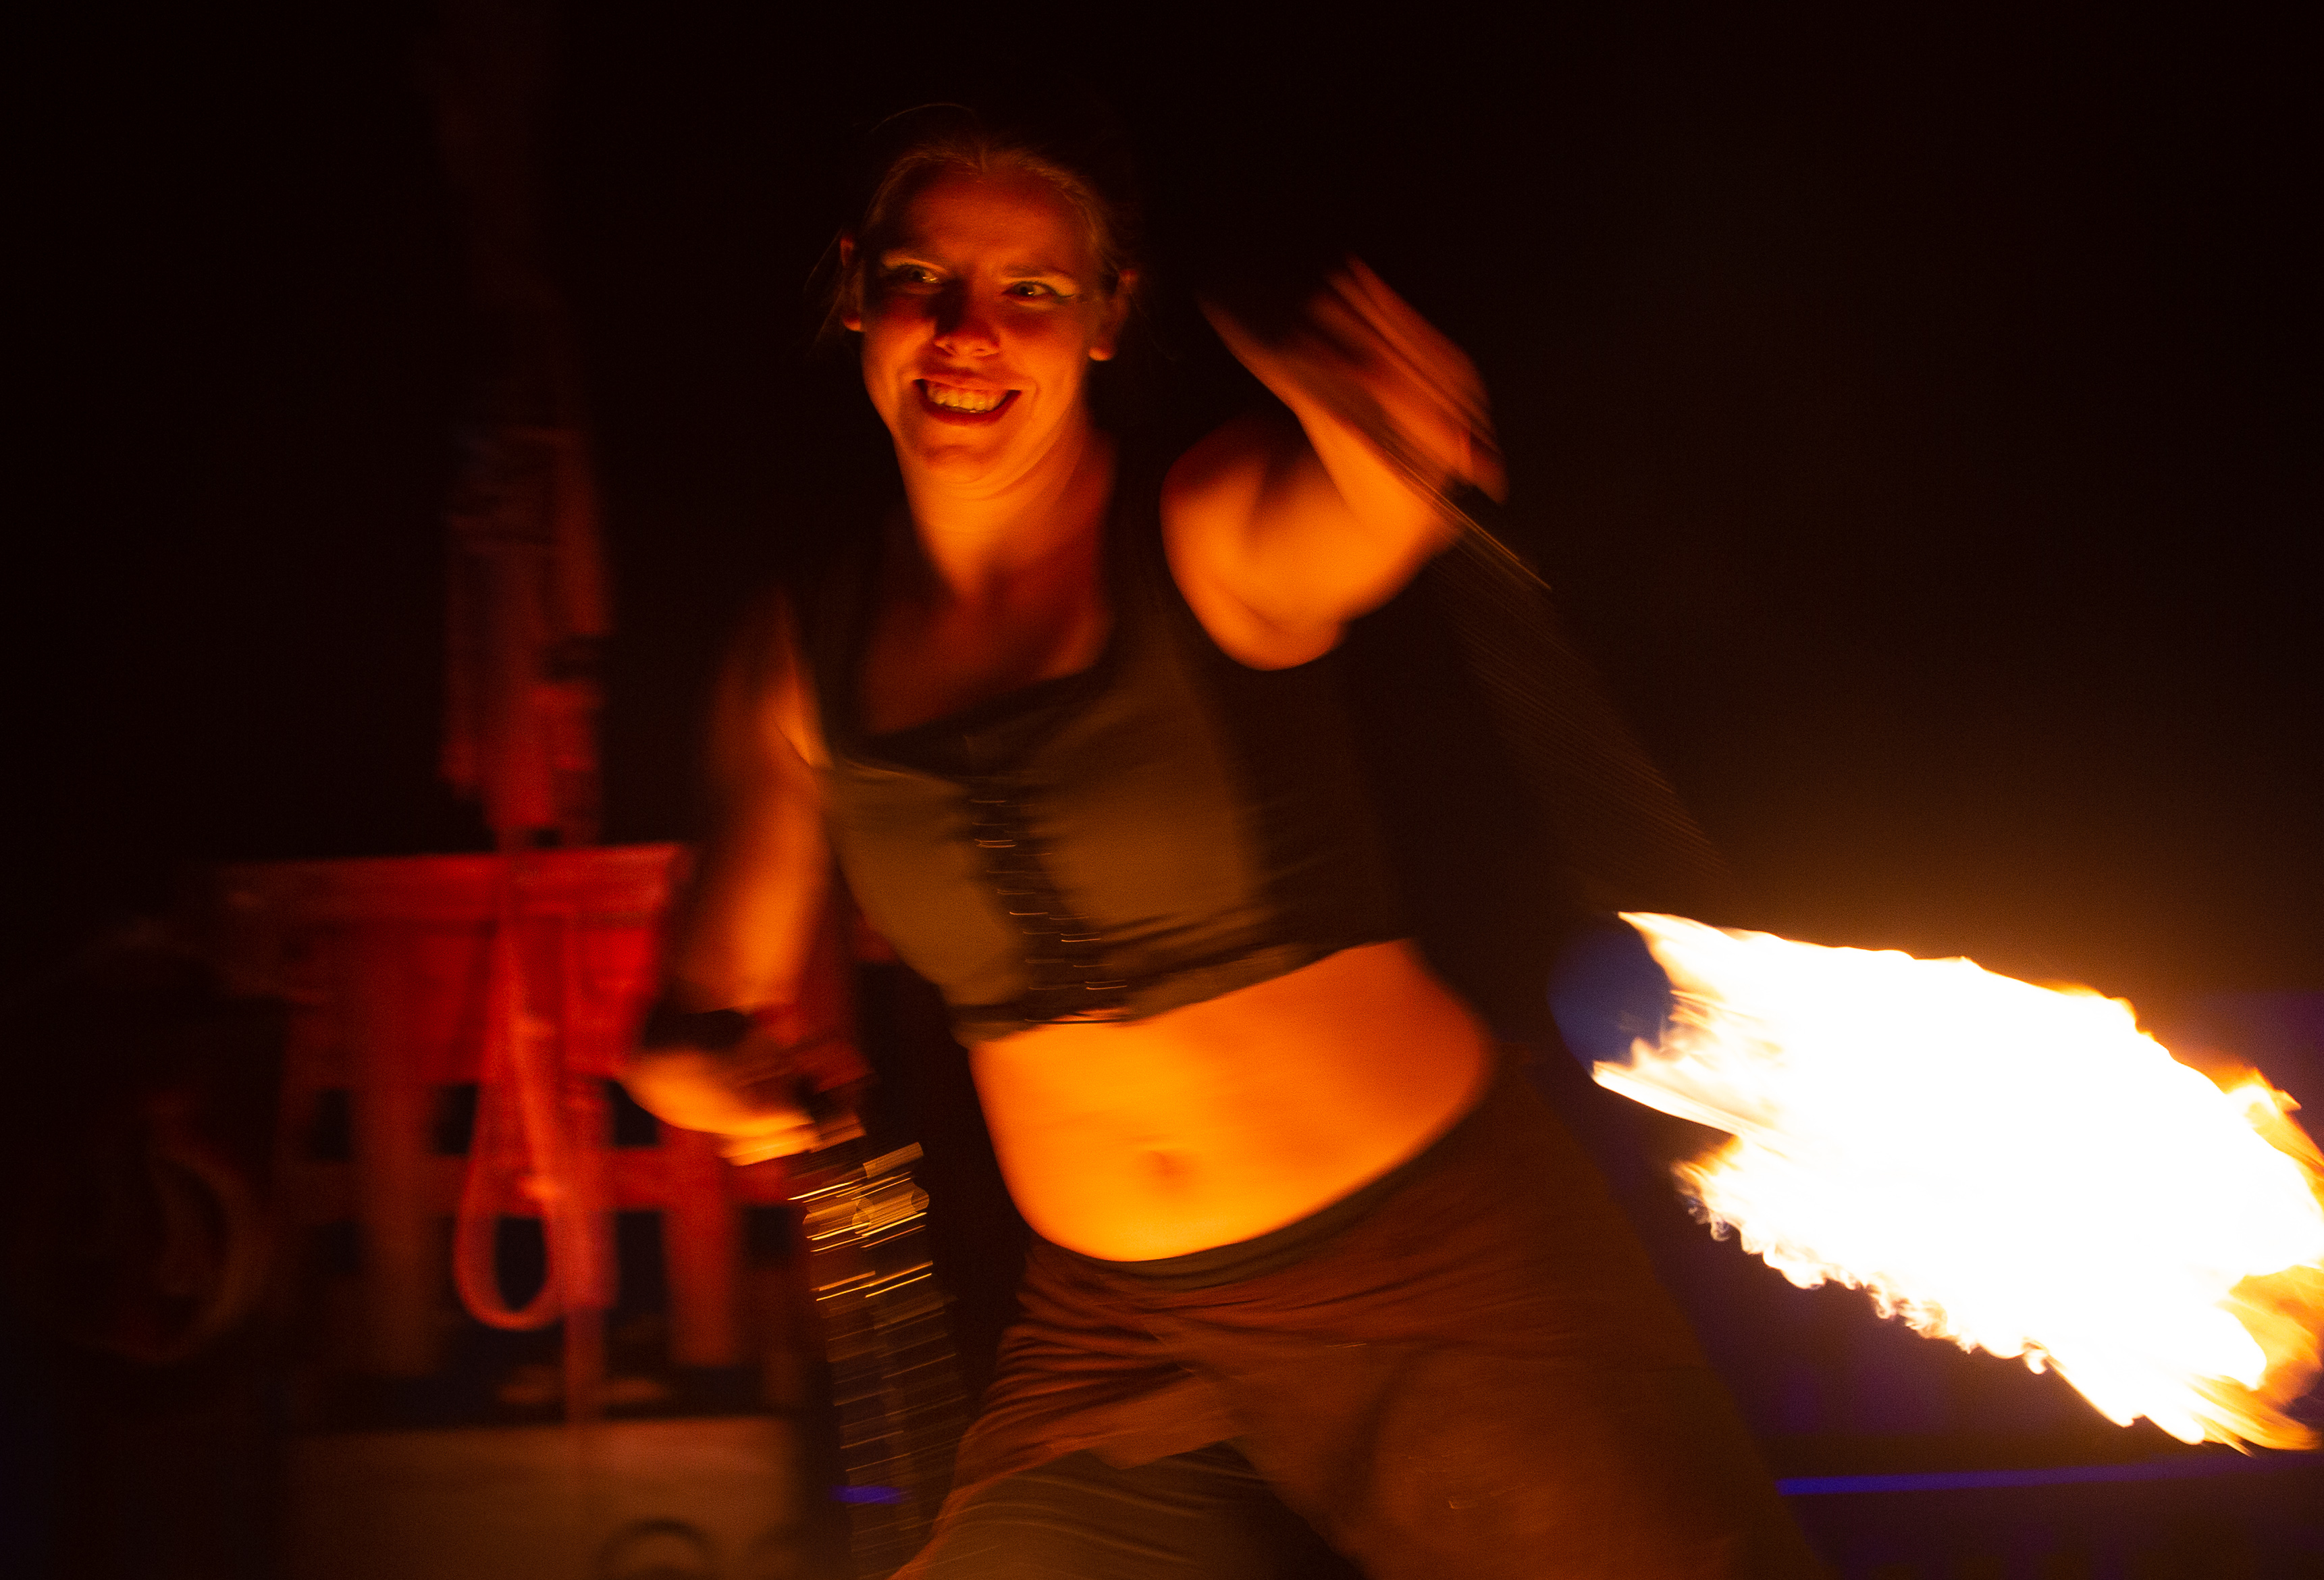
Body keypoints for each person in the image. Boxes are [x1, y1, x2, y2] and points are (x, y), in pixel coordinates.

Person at [625, 103, 1821, 1579]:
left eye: (1029, 290)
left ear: (1106, 316)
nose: (967, 332)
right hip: (1117, 1335)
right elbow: (695, 1017)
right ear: (857, 290)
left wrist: (1389, 439)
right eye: (924, 277)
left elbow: (1355, 519)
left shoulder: (1194, 528)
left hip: (1437, 1279)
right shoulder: (802, 660)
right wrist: (718, 1082)